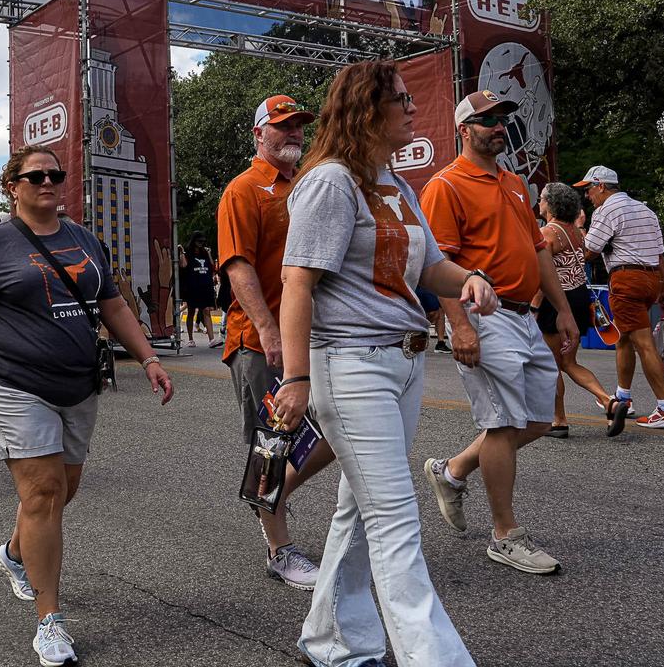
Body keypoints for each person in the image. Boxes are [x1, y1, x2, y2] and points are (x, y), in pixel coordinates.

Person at [272, 61, 493, 667]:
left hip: (405, 363)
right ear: (368, 111)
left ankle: (333, 640)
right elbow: (297, 284)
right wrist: (296, 378)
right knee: (396, 522)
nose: (413, 109)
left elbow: (430, 267)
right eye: (401, 100)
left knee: (358, 515)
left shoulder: (395, 183)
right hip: (351, 367)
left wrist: (471, 280)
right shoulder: (330, 183)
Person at [0, 146, 173, 667]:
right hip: (14, 383)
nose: (47, 182)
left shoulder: (83, 239)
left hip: (78, 384)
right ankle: (49, 620)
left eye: (55, 174)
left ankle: (14, 554)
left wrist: (148, 357)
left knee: (64, 490)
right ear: (12, 185)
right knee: (42, 492)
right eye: (35, 175)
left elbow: (111, 304)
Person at [418, 90, 580, 576]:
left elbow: (538, 252)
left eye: (503, 118)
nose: (498, 126)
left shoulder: (514, 183)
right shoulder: (445, 185)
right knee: (503, 422)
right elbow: (436, 264)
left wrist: (563, 309)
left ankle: (452, 471)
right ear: (463, 130)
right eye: (487, 120)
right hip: (485, 317)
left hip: (525, 317)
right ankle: (506, 535)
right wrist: (460, 327)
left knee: (533, 420)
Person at [217, 94, 336, 590]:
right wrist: (268, 330)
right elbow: (239, 266)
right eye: (282, 126)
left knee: (332, 429)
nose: (292, 134)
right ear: (258, 134)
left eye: (298, 127)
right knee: (271, 444)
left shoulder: (307, 185)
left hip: (311, 336)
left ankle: (269, 494)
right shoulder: (244, 190)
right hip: (261, 340)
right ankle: (279, 550)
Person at [578, 166, 664, 429]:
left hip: (626, 278)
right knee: (624, 338)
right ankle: (623, 396)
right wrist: (662, 288)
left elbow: (590, 251)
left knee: (643, 344)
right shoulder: (645, 210)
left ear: (601, 186)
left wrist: (579, 230)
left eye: (589, 189)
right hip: (650, 279)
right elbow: (660, 254)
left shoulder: (606, 210)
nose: (588, 196)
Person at [534, 182, 613, 436]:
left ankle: (559, 419)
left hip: (557, 301)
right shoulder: (576, 232)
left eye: (543, 199)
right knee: (569, 362)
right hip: (578, 297)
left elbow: (544, 274)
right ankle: (608, 400)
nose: (539, 203)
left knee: (552, 364)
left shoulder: (548, 233)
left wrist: (535, 307)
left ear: (551, 204)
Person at [177, 233, 217, 345]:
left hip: (205, 286)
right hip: (192, 286)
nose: (201, 244)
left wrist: (209, 254)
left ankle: (211, 339)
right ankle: (190, 339)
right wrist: (182, 253)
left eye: (202, 242)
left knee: (206, 311)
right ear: (194, 241)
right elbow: (183, 265)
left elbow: (212, 266)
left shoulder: (204, 252)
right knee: (191, 311)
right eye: (199, 241)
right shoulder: (188, 252)